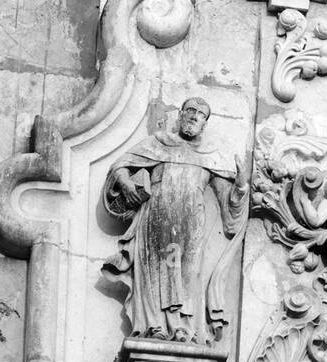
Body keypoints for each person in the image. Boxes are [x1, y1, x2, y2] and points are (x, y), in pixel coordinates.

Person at [102, 98, 248, 344]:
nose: (194, 116)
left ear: (205, 124)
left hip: (191, 221)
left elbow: (228, 201)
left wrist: (242, 184)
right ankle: (154, 325)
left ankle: (184, 327)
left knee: (188, 273)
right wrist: (127, 184)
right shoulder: (159, 143)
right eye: (190, 110)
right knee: (156, 270)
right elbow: (120, 167)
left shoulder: (211, 156)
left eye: (201, 114)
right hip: (157, 215)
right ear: (180, 115)